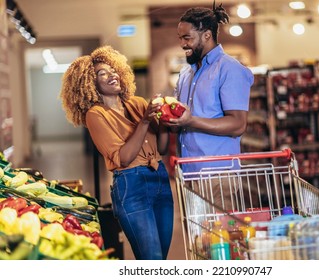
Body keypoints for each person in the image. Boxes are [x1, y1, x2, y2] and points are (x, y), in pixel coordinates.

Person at [59, 45, 174, 260]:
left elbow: (163, 148)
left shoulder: (138, 104)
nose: (111, 74)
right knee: (152, 259)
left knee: (161, 260)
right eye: (102, 73)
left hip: (160, 180)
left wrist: (166, 120)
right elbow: (124, 157)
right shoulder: (96, 115)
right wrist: (146, 121)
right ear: (90, 85)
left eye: (112, 70)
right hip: (131, 186)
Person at [165, 3, 254, 210]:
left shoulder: (229, 69)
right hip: (188, 173)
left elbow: (238, 124)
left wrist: (191, 121)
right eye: (180, 38)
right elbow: (181, 119)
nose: (182, 44)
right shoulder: (186, 74)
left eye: (187, 38)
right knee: (196, 240)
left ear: (206, 35)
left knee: (219, 239)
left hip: (218, 176)